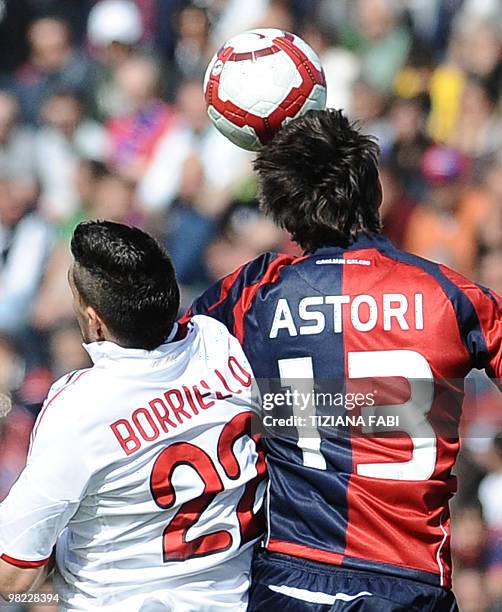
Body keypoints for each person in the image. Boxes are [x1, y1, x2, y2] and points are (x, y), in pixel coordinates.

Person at [182, 109, 502, 611]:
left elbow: (158, 355)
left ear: (282, 209)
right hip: (410, 583)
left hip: (288, 580)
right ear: (374, 190)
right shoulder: (450, 295)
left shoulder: (253, 293)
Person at [0, 220, 265, 611]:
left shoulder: (80, 409)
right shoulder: (223, 344)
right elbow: (333, 417)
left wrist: (54, 582)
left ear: (94, 320)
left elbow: (13, 577)